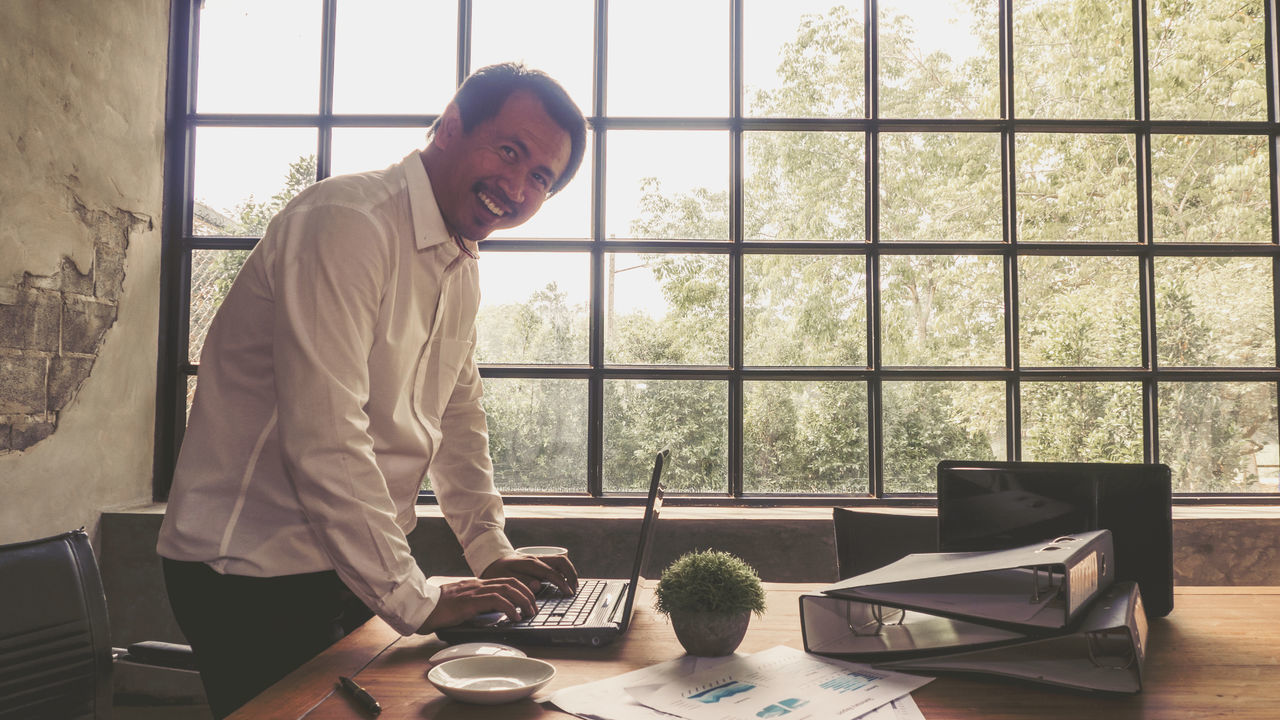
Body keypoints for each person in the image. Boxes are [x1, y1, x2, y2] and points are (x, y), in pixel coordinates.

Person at [157, 62, 588, 719]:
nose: (517, 186)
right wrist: (417, 599)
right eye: (509, 151)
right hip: (247, 572)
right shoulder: (345, 224)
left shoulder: (461, 261)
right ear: (450, 126)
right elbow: (326, 438)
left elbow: (458, 421)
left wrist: (493, 550)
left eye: (540, 178)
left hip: (350, 567)